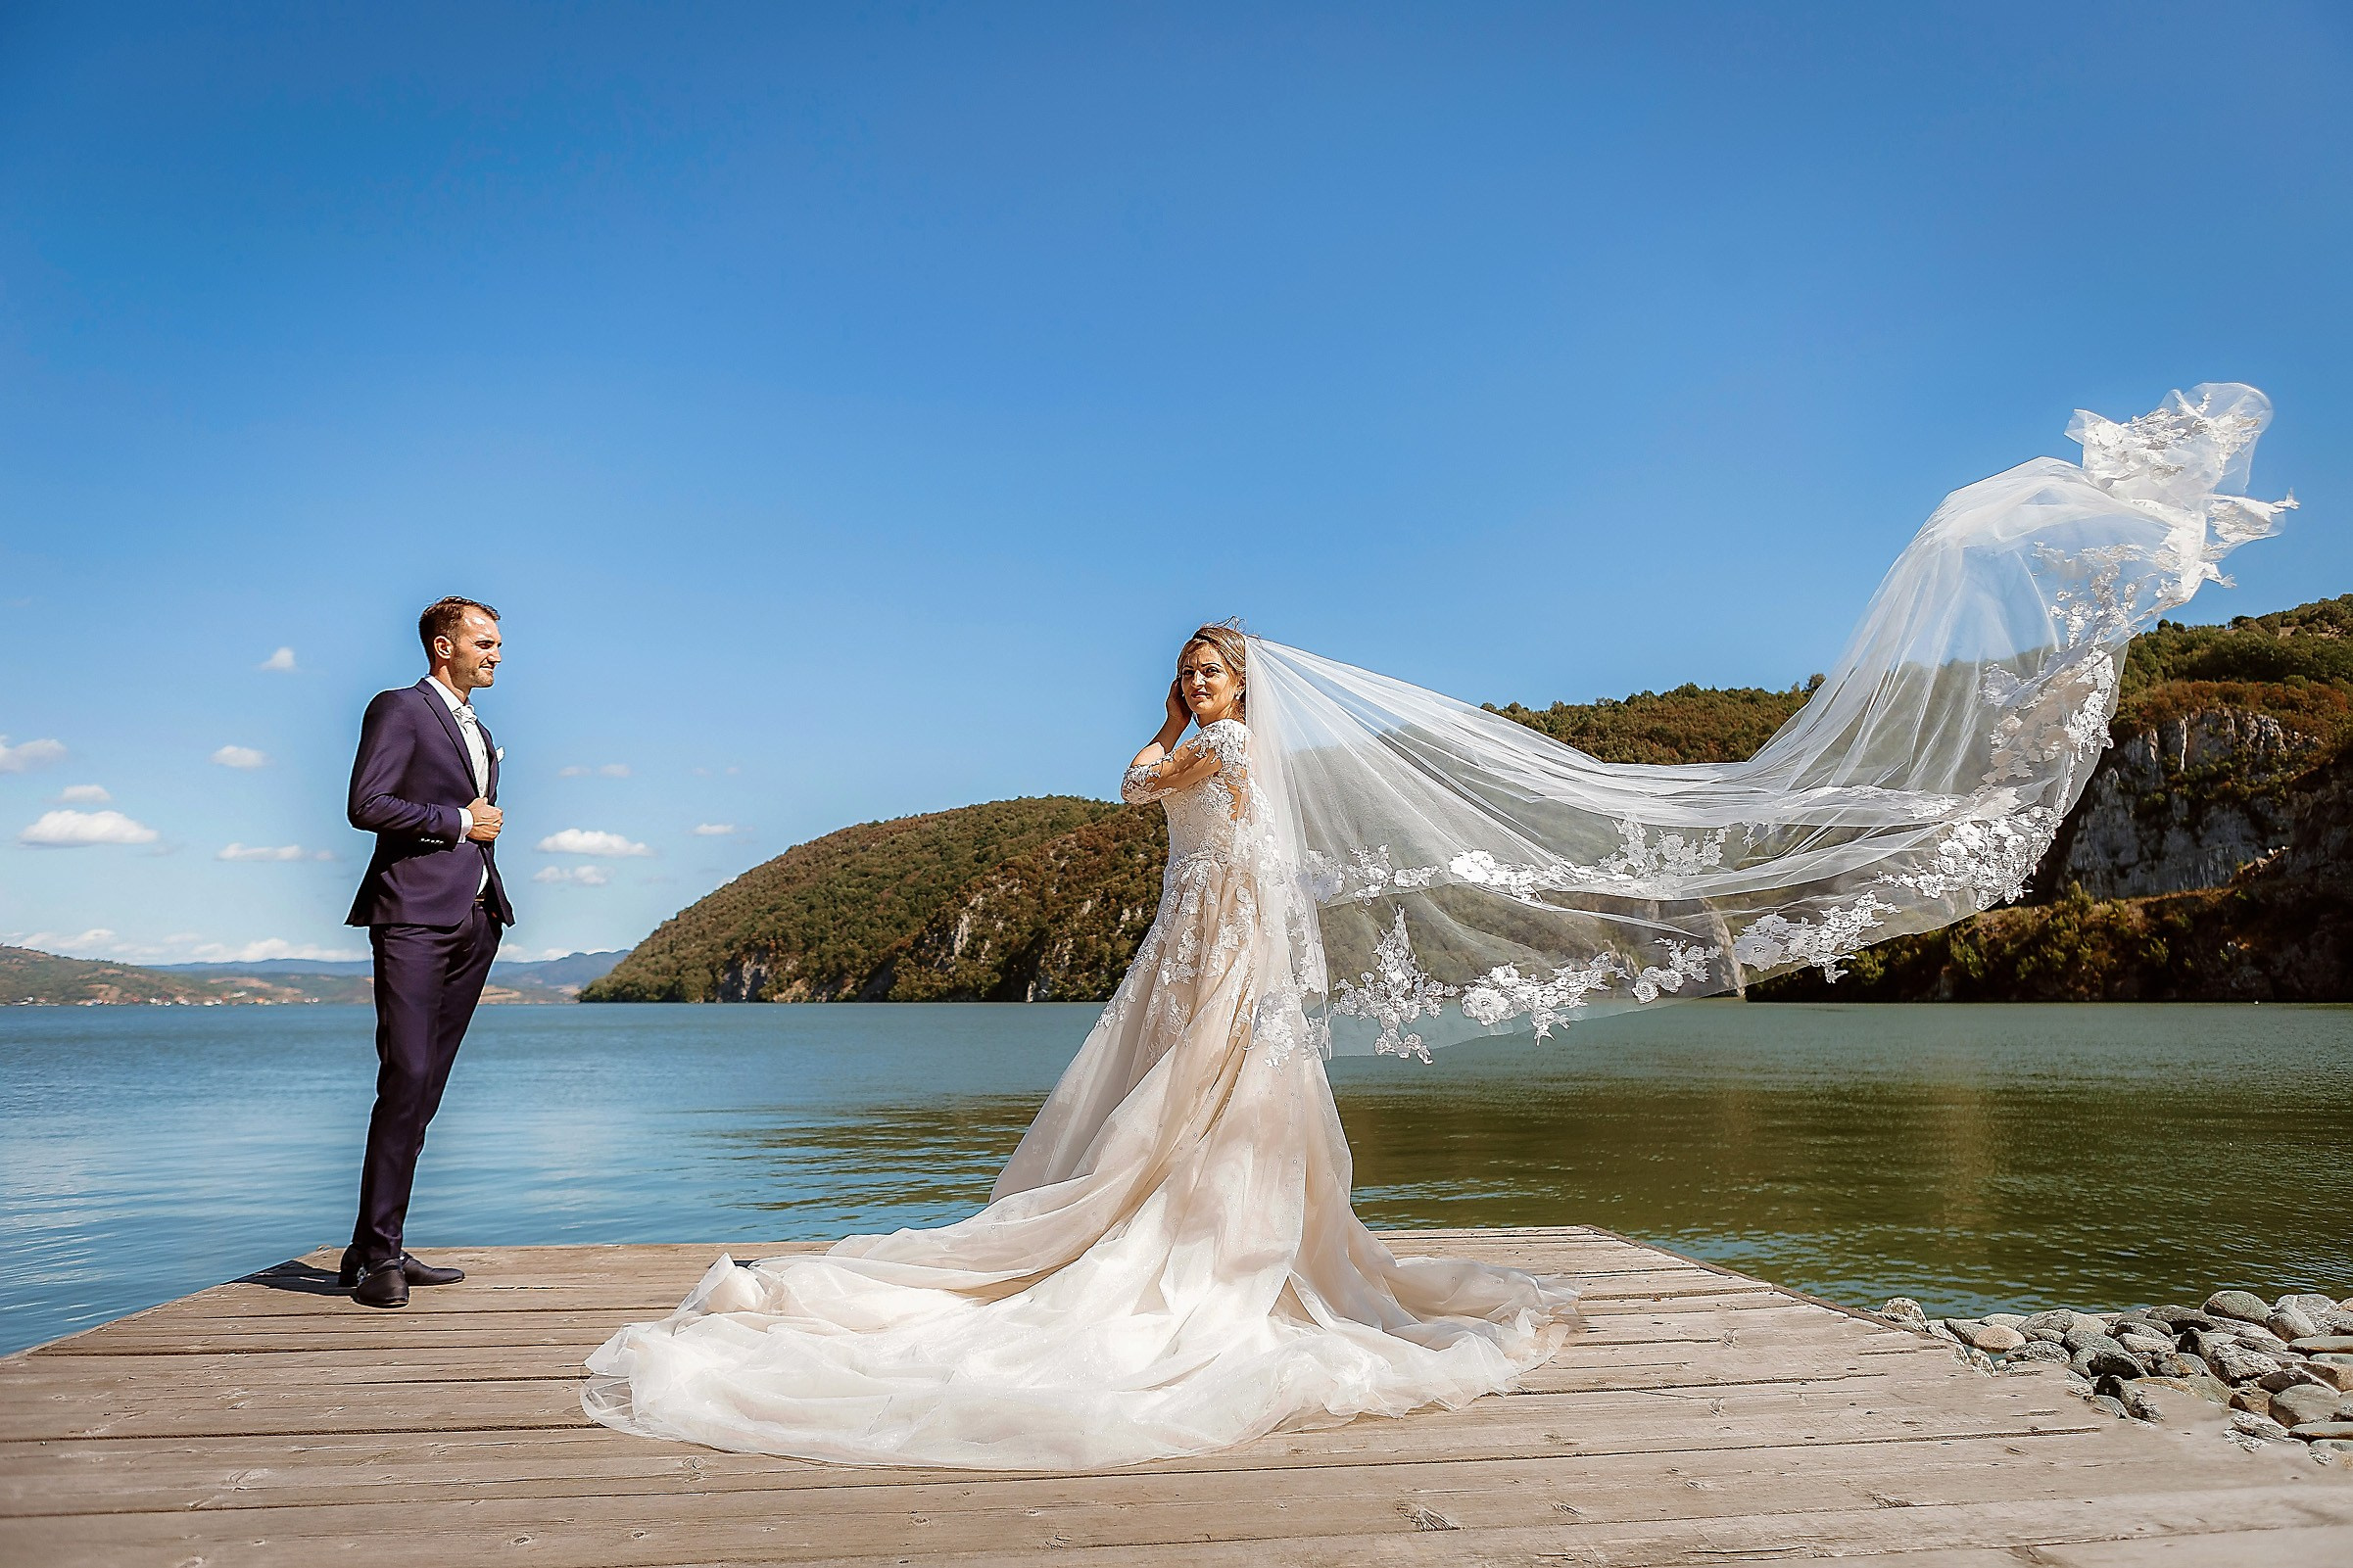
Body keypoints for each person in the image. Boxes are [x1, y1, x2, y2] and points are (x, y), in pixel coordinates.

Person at [584, 383, 2289, 1467]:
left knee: (1222, 1133)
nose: (1202, 687)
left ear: (1243, 684)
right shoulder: (1183, 738)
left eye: (1217, 669)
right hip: (1184, 947)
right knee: (1161, 1129)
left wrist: (1231, 879)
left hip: (1228, 950)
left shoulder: (1234, 745)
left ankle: (1226, 1273)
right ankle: (1193, 1249)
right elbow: (1127, 785)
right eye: (1191, 668)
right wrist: (1175, 765)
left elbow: (1227, 833)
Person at [340, 596, 516, 1309]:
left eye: (499, 642)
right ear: (444, 647)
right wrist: (457, 821)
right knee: (405, 1075)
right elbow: (366, 802)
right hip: (413, 917)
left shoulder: (484, 728)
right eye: (484, 641)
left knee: (428, 1089)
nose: (496, 652)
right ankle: (377, 1256)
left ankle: (374, 1242)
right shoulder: (400, 708)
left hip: (476, 921)